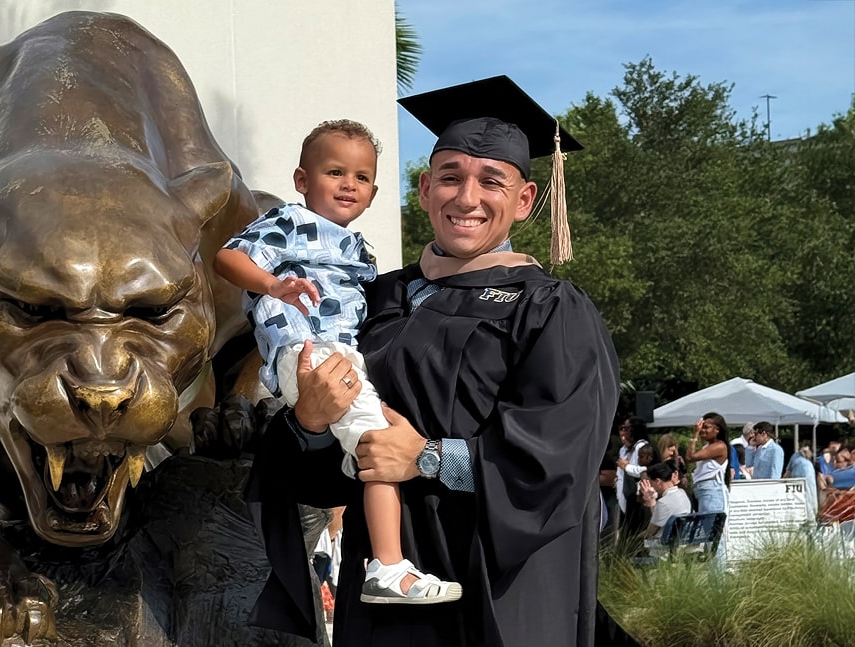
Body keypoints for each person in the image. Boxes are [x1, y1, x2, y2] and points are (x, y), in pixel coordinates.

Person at [248, 76, 621, 646]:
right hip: (382, 596)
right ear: (424, 190)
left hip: (496, 591)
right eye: (450, 178)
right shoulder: (373, 298)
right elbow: (315, 473)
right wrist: (311, 424)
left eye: (490, 182)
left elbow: (560, 459)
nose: (467, 198)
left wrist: (425, 458)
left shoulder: (549, 310)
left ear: (525, 200)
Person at [217, 119, 461, 604]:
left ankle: (378, 555)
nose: (349, 184)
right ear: (302, 181)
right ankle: (388, 567)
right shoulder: (290, 222)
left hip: (336, 354)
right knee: (382, 446)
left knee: (364, 450)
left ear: (373, 192)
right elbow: (228, 257)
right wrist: (271, 285)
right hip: (311, 350)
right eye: (334, 172)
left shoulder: (357, 248)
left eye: (362, 177)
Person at [638, 460, 692, 553]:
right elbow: (661, 517)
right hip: (679, 542)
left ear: (658, 481)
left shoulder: (663, 502)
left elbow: (650, 532)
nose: (652, 486)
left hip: (664, 547)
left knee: (633, 542)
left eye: (652, 482)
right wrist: (651, 501)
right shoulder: (682, 494)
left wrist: (635, 537)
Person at [685, 413, 729, 515]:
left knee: (710, 528)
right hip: (704, 490)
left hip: (711, 491)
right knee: (706, 528)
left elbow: (689, 457)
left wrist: (695, 434)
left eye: (706, 427)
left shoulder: (720, 446)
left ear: (717, 430)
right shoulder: (708, 446)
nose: (702, 430)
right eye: (701, 427)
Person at [615, 417, 650, 540]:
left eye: (626, 429)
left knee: (634, 534)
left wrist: (627, 467)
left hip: (637, 496)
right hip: (623, 496)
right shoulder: (623, 450)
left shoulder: (642, 447)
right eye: (621, 429)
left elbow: (645, 470)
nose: (622, 432)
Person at [785, 445, 818, 520]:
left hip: (799, 483)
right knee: (809, 501)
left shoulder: (796, 457)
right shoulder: (807, 461)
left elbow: (787, 473)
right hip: (806, 483)